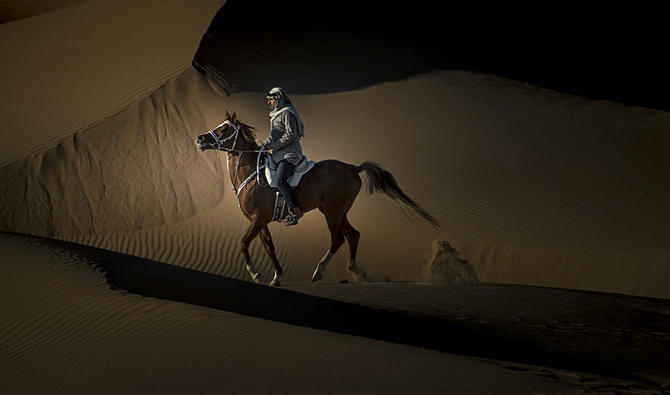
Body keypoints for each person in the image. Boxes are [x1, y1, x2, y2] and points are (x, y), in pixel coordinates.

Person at [262, 87, 305, 226]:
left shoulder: (287, 112)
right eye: (267, 100)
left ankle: (295, 210)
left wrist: (273, 146)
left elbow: (291, 134)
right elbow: (273, 136)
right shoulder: (275, 115)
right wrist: (263, 146)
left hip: (290, 154)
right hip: (279, 155)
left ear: (277, 100)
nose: (268, 103)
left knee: (280, 181)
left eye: (270, 100)